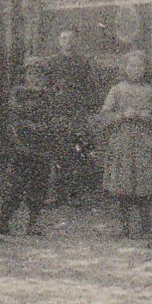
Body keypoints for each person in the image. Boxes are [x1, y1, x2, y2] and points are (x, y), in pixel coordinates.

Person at [96, 49, 152, 239]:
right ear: (125, 68)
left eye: (139, 66)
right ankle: (124, 227)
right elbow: (104, 117)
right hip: (123, 142)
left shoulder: (151, 92)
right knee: (122, 185)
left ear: (145, 69)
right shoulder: (117, 90)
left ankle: (145, 227)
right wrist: (121, 115)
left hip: (144, 143)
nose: (135, 70)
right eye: (131, 66)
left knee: (144, 185)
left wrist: (148, 117)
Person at [0, 56, 57, 237]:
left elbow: (53, 117)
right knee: (15, 185)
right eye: (30, 73)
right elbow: (12, 116)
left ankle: (32, 223)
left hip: (41, 145)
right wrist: (17, 137)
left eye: (38, 74)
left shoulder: (49, 94)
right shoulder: (17, 93)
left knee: (39, 185)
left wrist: (46, 132)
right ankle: (4, 221)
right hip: (21, 144)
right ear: (24, 75)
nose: (34, 77)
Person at [46, 28, 97, 205]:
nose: (67, 41)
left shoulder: (83, 62)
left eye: (70, 38)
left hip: (76, 113)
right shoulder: (52, 63)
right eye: (63, 38)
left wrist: (83, 108)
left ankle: (75, 194)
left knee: (77, 153)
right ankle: (57, 194)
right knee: (58, 153)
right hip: (58, 113)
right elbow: (47, 88)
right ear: (59, 41)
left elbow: (90, 87)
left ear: (76, 41)